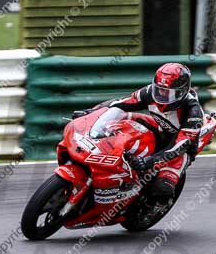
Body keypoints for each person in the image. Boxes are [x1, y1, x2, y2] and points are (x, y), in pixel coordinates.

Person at [73, 62, 204, 210]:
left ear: (181, 92)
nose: (161, 95)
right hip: (160, 130)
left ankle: (153, 207)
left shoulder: (193, 113)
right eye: (159, 90)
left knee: (162, 189)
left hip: (180, 151)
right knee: (123, 121)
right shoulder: (150, 92)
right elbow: (122, 103)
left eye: (168, 93)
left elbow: (179, 146)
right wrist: (91, 112)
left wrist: (148, 161)